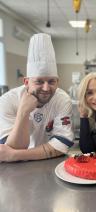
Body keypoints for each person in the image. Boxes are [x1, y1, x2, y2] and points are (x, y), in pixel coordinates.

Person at [0, 33, 74, 162]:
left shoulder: (62, 99)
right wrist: (23, 111)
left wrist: (15, 155)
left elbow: (62, 143)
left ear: (58, 81)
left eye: (51, 81)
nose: (46, 88)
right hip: (15, 170)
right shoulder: (8, 100)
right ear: (26, 82)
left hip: (50, 164)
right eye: (39, 81)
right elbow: (10, 147)